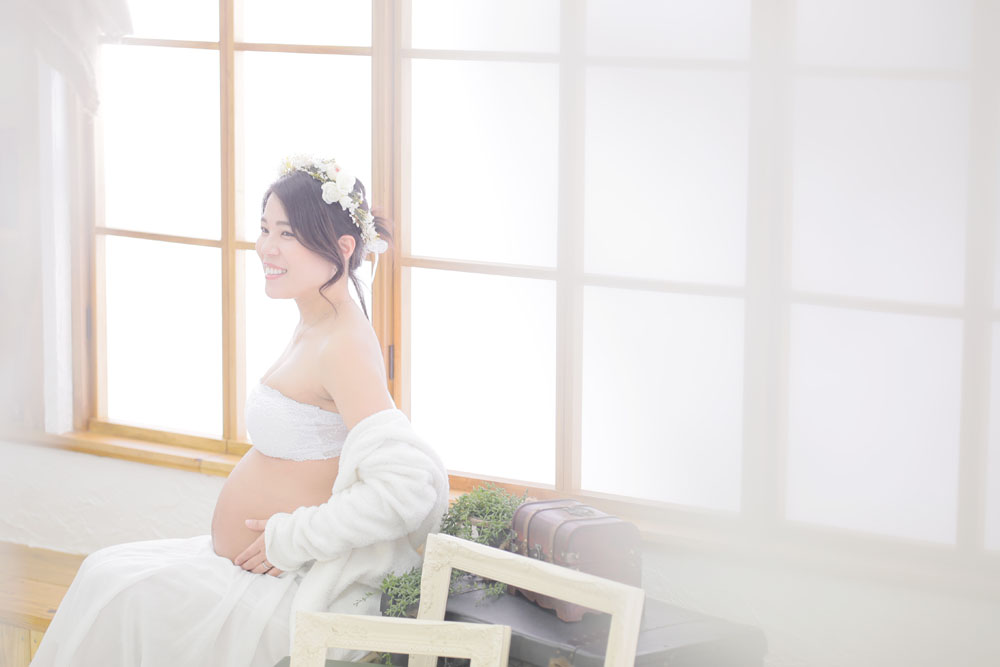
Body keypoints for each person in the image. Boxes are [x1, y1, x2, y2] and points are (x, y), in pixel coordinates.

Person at [30, 156, 451, 667]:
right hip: (251, 565)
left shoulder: (345, 343)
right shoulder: (314, 321)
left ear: (343, 248)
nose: (267, 247)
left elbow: (406, 487)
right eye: (265, 228)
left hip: (287, 579)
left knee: (119, 594)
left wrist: (289, 540)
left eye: (288, 233)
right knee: (104, 575)